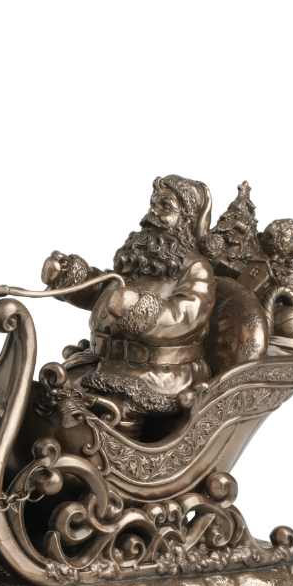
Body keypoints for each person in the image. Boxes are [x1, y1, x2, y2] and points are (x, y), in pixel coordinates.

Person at [40, 173, 216, 438]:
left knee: (113, 410)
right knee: (52, 390)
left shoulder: (196, 268)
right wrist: (71, 278)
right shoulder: (139, 258)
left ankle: (115, 461)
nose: (153, 212)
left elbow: (186, 317)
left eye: (165, 207)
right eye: (153, 203)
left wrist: (139, 309)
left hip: (158, 374)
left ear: (185, 220)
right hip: (105, 362)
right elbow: (102, 290)